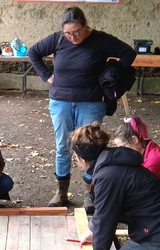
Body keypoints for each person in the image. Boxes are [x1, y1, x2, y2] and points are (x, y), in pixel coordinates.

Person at [28, 6, 136, 211]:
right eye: (68, 33)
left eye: (76, 32)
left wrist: (112, 74)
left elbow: (128, 53)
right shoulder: (57, 39)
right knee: (63, 146)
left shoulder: (101, 40)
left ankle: (90, 194)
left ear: (85, 25)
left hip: (91, 102)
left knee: (90, 147)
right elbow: (33, 52)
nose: (72, 37)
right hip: (61, 102)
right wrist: (47, 76)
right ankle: (61, 192)